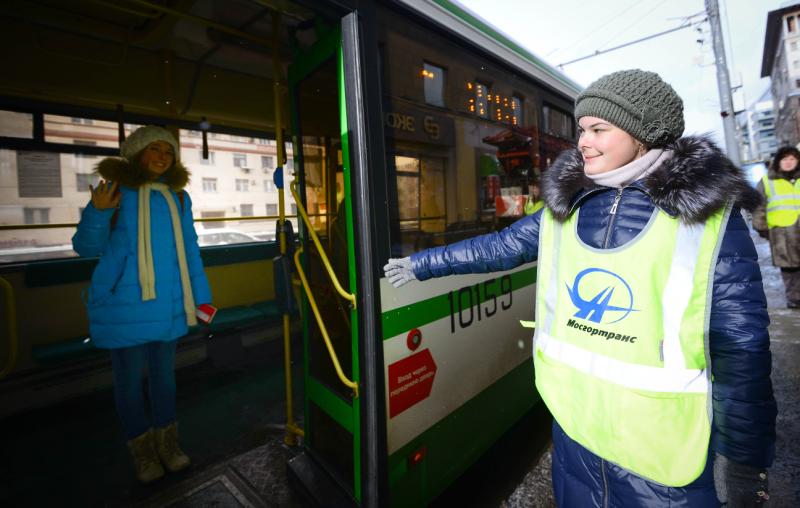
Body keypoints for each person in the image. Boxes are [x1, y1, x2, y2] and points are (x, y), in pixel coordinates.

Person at [384, 70, 777, 507]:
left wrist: (742, 462)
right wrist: (421, 264)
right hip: (578, 441)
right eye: (581, 130)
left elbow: (741, 348)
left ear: (643, 134)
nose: (583, 142)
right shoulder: (569, 204)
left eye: (598, 130)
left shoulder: (706, 218)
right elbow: (501, 247)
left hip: (664, 463)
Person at [72, 125, 212, 484]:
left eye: (168, 151)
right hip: (124, 306)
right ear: (137, 153)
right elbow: (86, 248)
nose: (162, 156)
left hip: (167, 305)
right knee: (130, 383)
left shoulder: (179, 198)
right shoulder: (116, 191)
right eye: (155, 149)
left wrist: (203, 299)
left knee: (165, 381)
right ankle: (143, 452)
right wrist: (98, 213)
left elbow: (191, 251)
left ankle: (168, 445)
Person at [752, 146, 800, 308]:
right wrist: (763, 228)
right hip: (781, 234)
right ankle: (794, 300)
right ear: (778, 161)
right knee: (789, 270)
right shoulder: (767, 181)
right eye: (784, 159)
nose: (788, 162)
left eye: (792, 159)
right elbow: (758, 207)